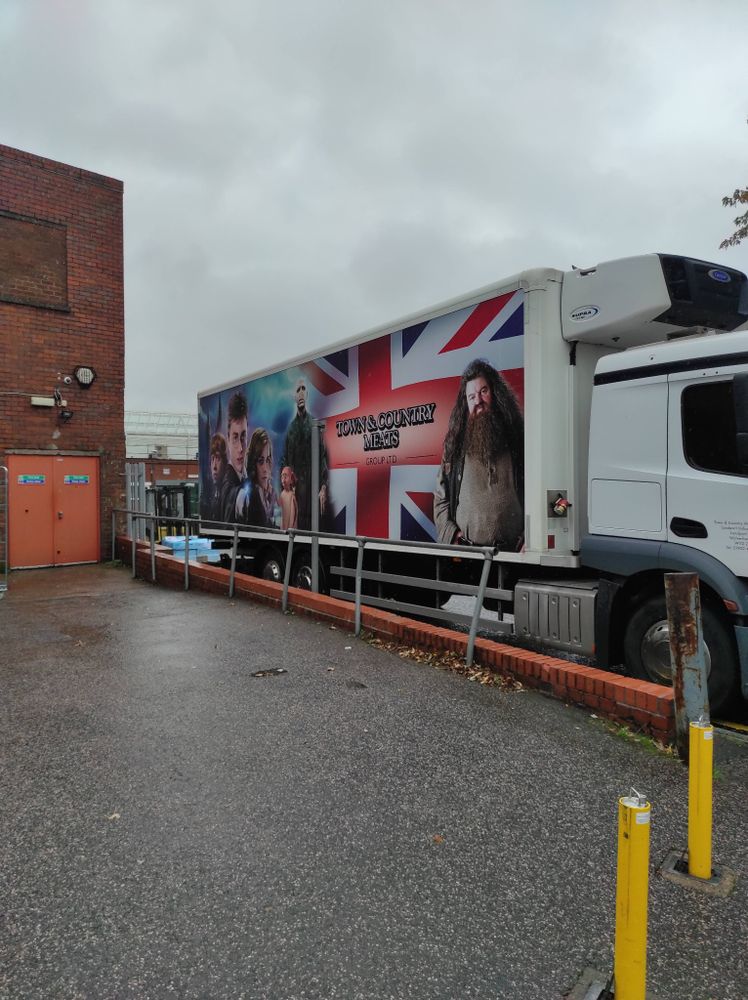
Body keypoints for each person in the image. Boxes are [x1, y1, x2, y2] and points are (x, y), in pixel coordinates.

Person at [434, 358, 524, 549]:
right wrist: (452, 536)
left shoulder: (519, 440)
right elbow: (441, 499)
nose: (478, 401)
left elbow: (538, 493)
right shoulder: (454, 446)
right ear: (465, 403)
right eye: (471, 397)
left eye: (483, 391)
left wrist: (530, 537)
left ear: (496, 394)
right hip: (469, 557)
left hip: (514, 555)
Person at [280, 376, 328, 531]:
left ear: (307, 395)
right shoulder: (291, 430)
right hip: (295, 496)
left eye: (303, 389)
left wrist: (323, 487)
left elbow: (322, 457)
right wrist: (287, 490)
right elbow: (285, 462)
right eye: (297, 390)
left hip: (311, 494)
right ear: (294, 397)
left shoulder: (314, 425)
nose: (300, 393)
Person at [239, 428, 278, 527]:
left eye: (268, 460)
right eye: (260, 461)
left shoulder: (271, 494)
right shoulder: (249, 495)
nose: (265, 468)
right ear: (253, 464)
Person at [219, 391, 249, 523]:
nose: (241, 448)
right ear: (228, 439)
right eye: (235, 437)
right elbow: (229, 494)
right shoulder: (228, 480)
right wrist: (241, 497)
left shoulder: (247, 474)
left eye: (243, 437)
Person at [204, 433, 227, 522]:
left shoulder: (227, 493)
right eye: (212, 459)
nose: (214, 466)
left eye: (217, 458)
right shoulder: (214, 493)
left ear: (224, 462)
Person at [279, 466, 298, 530]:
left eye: (285, 477)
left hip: (289, 533)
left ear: (291, 480)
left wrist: (289, 530)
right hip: (283, 531)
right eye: (282, 477)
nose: (283, 480)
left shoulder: (291, 496)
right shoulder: (282, 494)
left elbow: (293, 516)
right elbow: (280, 514)